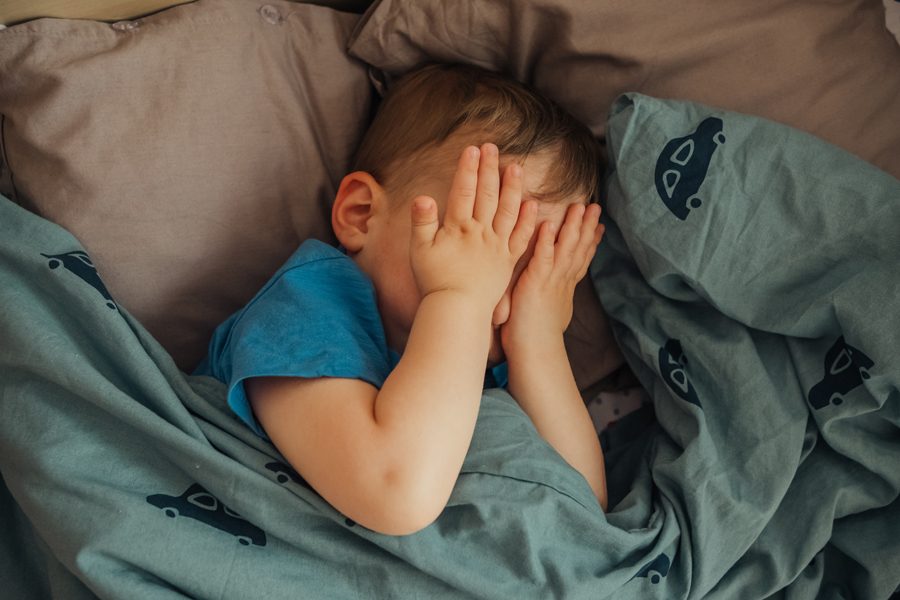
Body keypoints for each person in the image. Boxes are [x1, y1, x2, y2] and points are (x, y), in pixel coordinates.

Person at [196, 63, 608, 536]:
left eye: (532, 271)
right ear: (362, 214)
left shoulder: (495, 352)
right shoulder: (305, 307)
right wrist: (460, 294)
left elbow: (578, 507)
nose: (496, 296)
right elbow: (397, 493)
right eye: (481, 235)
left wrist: (538, 338)